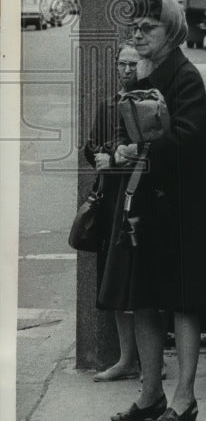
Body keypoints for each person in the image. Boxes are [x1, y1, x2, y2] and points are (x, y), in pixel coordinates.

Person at [100, 0, 206, 421]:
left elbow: (187, 136)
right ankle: (150, 393)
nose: (138, 34)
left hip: (182, 205)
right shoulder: (145, 72)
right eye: (135, 28)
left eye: (148, 27)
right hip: (148, 201)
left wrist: (140, 149)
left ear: (172, 32)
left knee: (183, 303)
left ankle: (184, 399)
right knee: (143, 298)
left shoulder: (183, 76)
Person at [84, 42, 141, 382]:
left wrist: (116, 158)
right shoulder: (109, 103)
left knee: (142, 280)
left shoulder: (152, 103)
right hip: (112, 199)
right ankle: (125, 357)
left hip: (139, 198)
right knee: (115, 279)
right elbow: (90, 147)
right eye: (122, 64)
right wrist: (102, 155)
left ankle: (151, 360)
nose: (126, 70)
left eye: (132, 64)